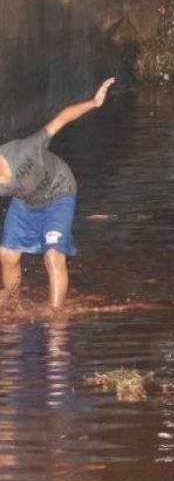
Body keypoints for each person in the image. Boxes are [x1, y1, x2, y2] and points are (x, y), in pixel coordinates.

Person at [1, 77, 115, 310]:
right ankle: (13, 304)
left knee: (53, 256)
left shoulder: (25, 151)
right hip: (27, 200)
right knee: (7, 255)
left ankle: (56, 317)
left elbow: (61, 118)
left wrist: (93, 102)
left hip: (59, 191)